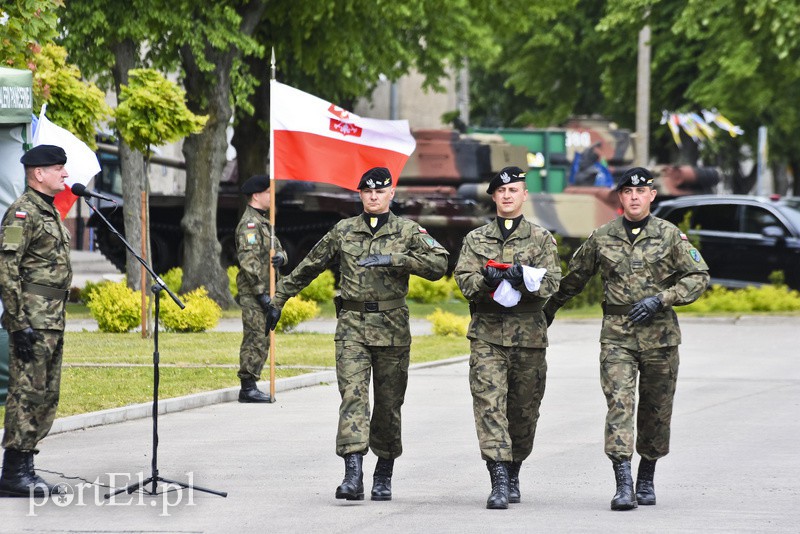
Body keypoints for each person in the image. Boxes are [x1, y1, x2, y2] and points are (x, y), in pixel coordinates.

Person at [266, 167, 448, 502]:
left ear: (391, 193)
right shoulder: (343, 230)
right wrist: (279, 297)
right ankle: (353, 474)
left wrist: (397, 258)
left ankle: (384, 472)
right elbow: (311, 264)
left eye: (380, 191)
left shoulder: (407, 230)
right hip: (351, 326)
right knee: (353, 397)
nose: (374, 196)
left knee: (389, 406)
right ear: (360, 195)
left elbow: (440, 264)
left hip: (392, 328)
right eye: (367, 191)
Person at [543, 167, 710, 511]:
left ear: (652, 195)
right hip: (617, 335)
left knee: (656, 409)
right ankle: (623, 484)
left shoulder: (669, 235)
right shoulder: (602, 236)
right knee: (620, 403)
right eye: (627, 192)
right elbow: (574, 277)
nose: (634, 196)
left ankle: (646, 476)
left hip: (660, 336)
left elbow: (699, 276)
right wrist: (546, 310)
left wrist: (663, 298)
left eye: (641, 191)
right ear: (619, 197)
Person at [454, 166, 561, 510]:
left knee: (523, 411)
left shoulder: (542, 239)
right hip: (487, 334)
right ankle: (498, 477)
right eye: (501, 191)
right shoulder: (476, 239)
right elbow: (464, 281)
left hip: (529, 336)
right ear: (494, 197)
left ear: (524, 195)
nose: (507, 195)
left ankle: (514, 468)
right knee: (490, 405)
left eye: (514, 190)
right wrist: (487, 281)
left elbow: (551, 284)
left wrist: (522, 280)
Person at [0, 145, 72, 497]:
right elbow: (7, 269)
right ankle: (14, 473)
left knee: (45, 394)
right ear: (38, 173)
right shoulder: (22, 214)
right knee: (26, 394)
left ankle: (26, 465)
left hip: (51, 318)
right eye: (59, 168)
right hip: (31, 318)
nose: (65, 175)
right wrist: (17, 322)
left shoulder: (50, 212)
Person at [234, 174, 287, 403]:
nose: (272, 197)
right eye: (268, 193)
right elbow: (249, 261)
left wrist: (282, 259)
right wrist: (262, 294)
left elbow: (279, 249)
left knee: (263, 337)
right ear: (256, 195)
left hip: (265, 290)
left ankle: (252, 383)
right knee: (255, 336)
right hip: (255, 292)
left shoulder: (265, 222)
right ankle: (247, 387)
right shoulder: (250, 224)